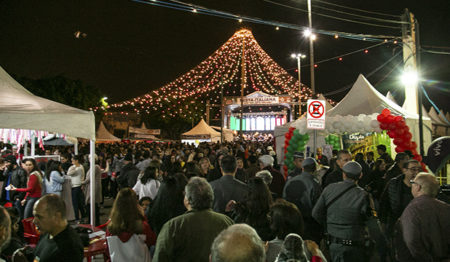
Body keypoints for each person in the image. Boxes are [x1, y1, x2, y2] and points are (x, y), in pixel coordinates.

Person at [312, 161, 382, 262]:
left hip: (333, 245)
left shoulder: (329, 189)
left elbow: (315, 213)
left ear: (343, 174)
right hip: (355, 247)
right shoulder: (364, 196)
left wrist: (330, 225)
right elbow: (373, 225)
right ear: (360, 175)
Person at [153, 177, 234, 262]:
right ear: (211, 198)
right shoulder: (228, 222)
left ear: (187, 200)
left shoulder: (173, 226)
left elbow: (160, 257)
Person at [396, 173, 450, 261]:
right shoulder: (446, 208)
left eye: (412, 183)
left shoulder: (412, 209)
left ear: (418, 187)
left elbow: (411, 241)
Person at [379, 159, 420, 249]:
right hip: (397, 225)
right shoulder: (394, 184)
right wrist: (383, 222)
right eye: (413, 169)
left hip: (416, 227)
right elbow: (384, 204)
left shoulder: (421, 185)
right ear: (404, 170)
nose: (416, 172)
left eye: (418, 169)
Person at [106, 188, 156, 261]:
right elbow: (152, 240)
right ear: (135, 204)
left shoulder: (110, 228)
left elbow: (108, 251)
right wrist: (143, 217)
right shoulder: (143, 226)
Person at [32, 194, 84, 262]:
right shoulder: (47, 233)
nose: (34, 221)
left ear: (57, 216)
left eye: (39, 217)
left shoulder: (69, 249)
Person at [283, 157, 322, 243]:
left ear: (303, 168)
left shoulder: (290, 180)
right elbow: (318, 207)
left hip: (290, 221)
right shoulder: (314, 184)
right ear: (315, 169)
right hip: (308, 225)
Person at [66, 155, 85, 221]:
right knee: (79, 202)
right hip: (76, 185)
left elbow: (69, 173)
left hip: (76, 186)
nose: (72, 162)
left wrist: (72, 169)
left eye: (73, 161)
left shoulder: (79, 168)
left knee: (75, 203)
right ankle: (83, 215)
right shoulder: (78, 167)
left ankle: (77, 217)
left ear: (77, 161)